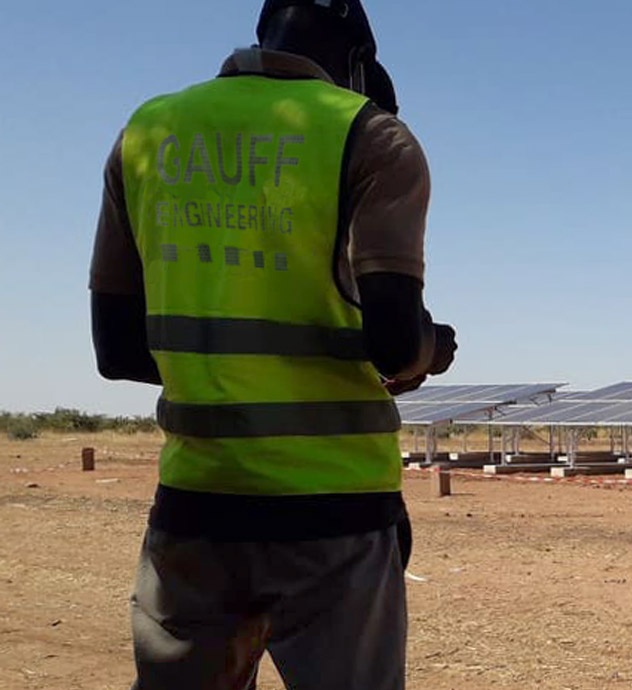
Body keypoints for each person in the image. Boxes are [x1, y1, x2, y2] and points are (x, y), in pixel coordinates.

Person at [88, 1, 456, 687]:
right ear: (354, 58)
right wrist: (432, 349)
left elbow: (116, 351)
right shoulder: (374, 136)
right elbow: (396, 343)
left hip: (195, 509)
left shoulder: (146, 132)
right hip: (336, 515)